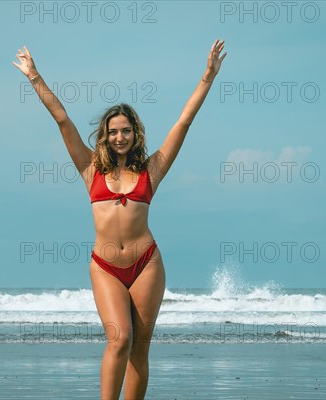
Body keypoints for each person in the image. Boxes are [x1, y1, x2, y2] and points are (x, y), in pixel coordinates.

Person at [13, 39, 226, 399]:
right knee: (120, 339)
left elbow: (183, 122)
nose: (120, 136)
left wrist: (207, 77)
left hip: (147, 264)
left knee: (140, 352)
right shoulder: (89, 169)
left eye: (126, 130)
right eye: (113, 131)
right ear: (105, 137)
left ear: (135, 133)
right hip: (106, 266)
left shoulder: (151, 169)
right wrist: (35, 77)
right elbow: (62, 119)